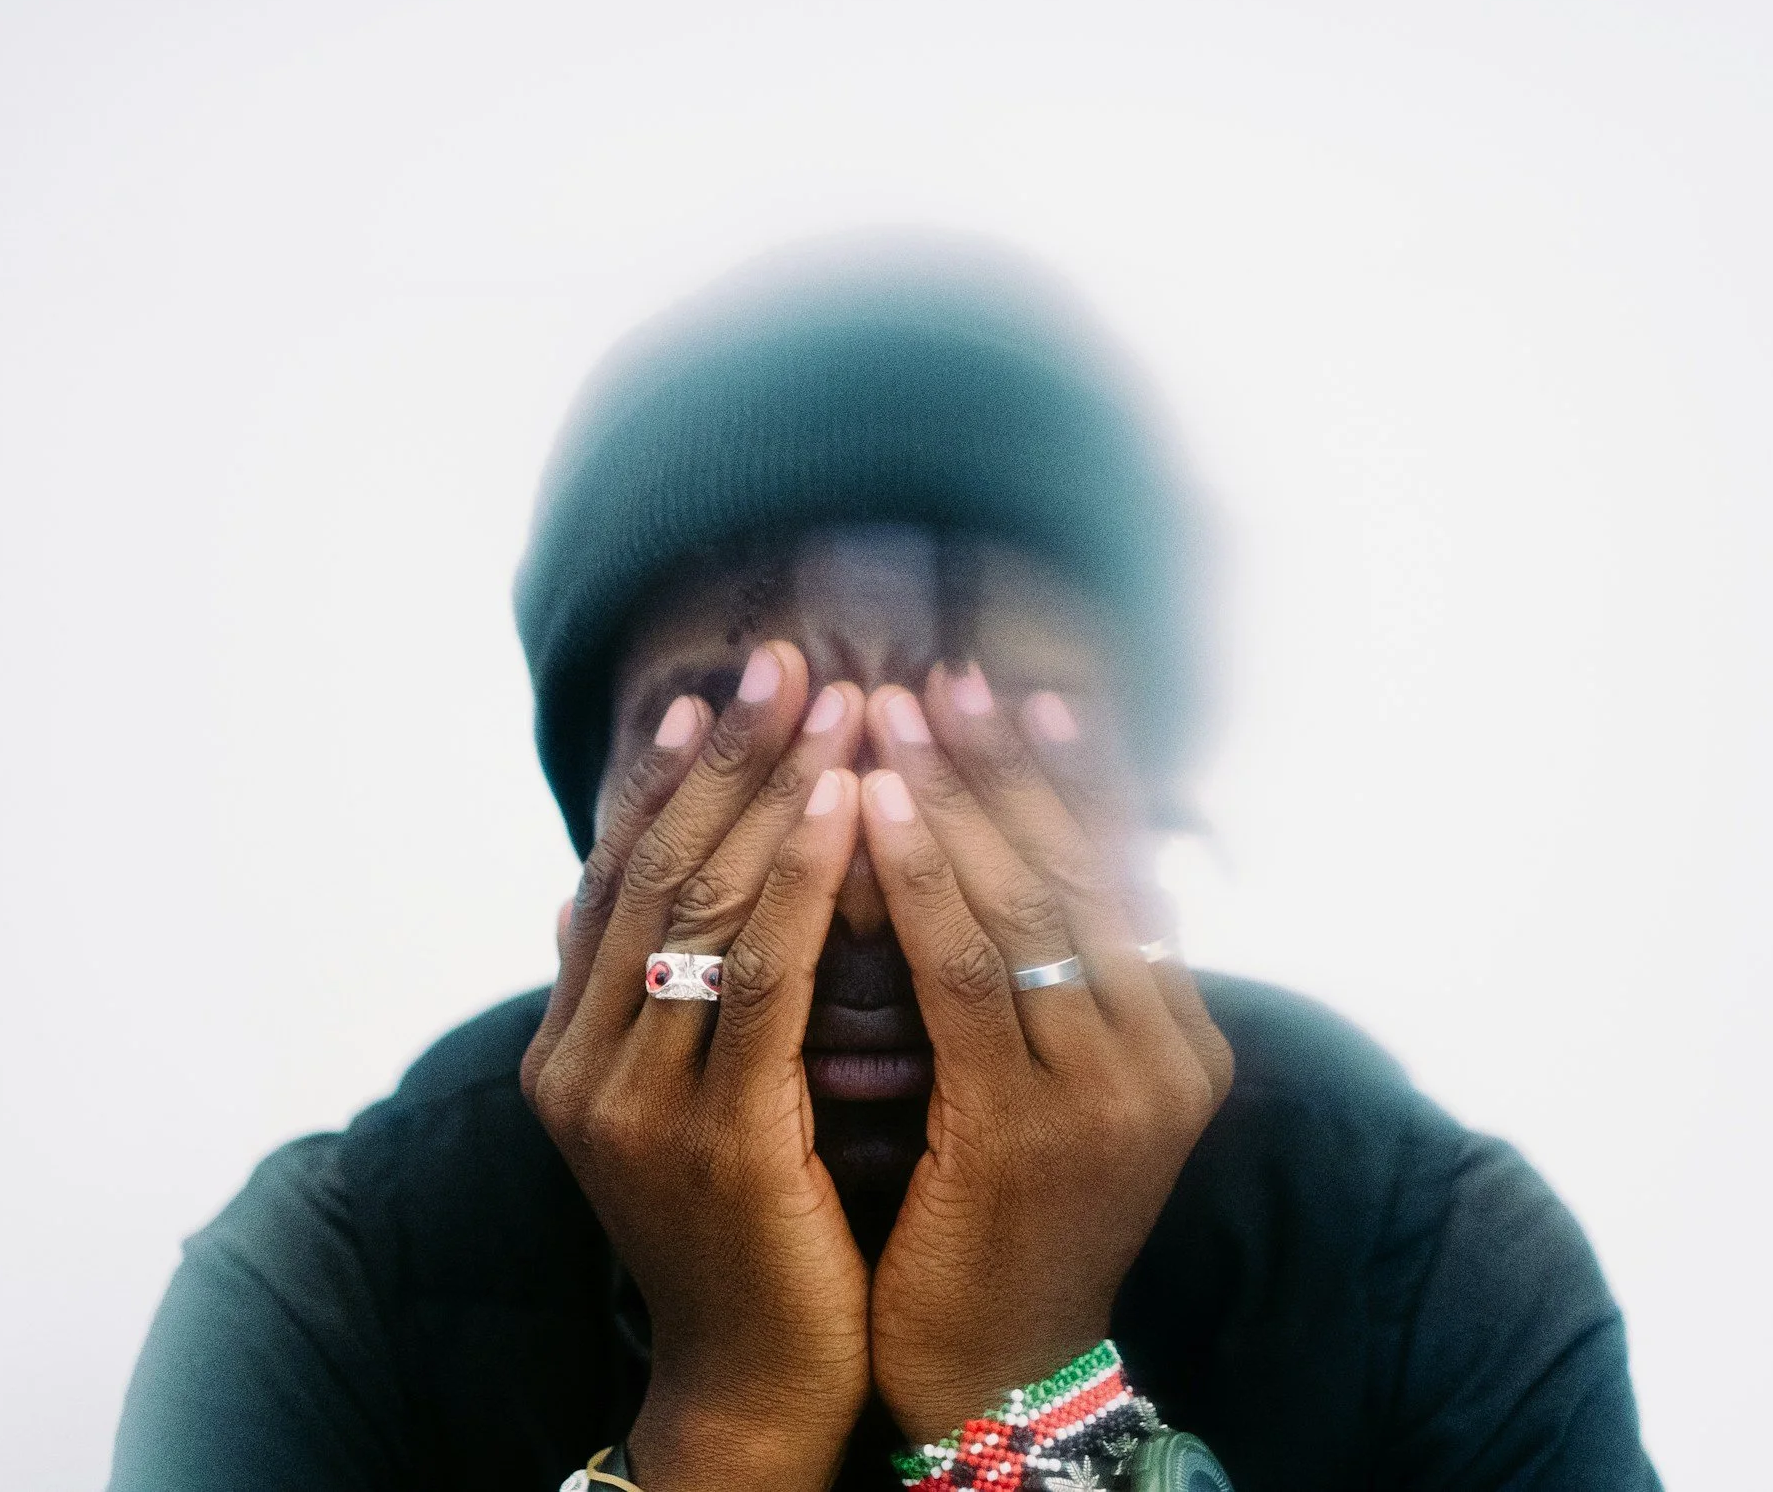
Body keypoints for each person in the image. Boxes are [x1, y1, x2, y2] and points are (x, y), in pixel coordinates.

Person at [110, 234, 1661, 1492]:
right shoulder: (337, 1292)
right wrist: (728, 1410)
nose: (861, 882)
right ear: (595, 825)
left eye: (986, 753)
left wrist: (1029, 1411)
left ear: (1147, 809)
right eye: (742, 743)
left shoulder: (1425, 1263)